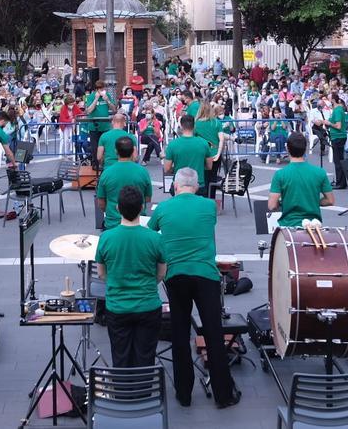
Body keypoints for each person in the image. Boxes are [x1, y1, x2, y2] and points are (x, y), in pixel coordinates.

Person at [147, 168, 240, 409]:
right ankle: (223, 394)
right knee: (213, 332)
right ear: (196, 186)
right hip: (206, 275)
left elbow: (151, 233)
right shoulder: (209, 206)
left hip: (176, 275)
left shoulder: (163, 209)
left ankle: (184, 393)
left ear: (175, 187)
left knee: (180, 333)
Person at [96, 186, 166, 368]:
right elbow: (161, 273)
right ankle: (145, 393)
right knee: (146, 356)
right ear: (142, 207)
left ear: (118, 208)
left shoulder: (106, 237)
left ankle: (124, 391)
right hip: (148, 305)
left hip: (117, 307)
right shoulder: (155, 238)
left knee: (120, 356)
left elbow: (102, 273)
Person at [268, 132, 335, 226]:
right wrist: (312, 203)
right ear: (305, 149)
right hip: (314, 225)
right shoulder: (320, 172)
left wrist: (286, 203)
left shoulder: (280, 174)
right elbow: (330, 200)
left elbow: (272, 206)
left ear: (287, 148)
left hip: (289, 225)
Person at [96, 137, 153, 230]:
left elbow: (101, 203)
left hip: (113, 222)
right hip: (138, 221)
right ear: (133, 150)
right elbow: (147, 198)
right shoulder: (143, 172)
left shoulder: (106, 173)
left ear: (116, 151)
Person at [163, 115, 215, 196]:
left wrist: (175, 169)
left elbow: (167, 169)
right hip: (198, 184)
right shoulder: (204, 143)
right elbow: (209, 166)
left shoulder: (173, 144)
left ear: (181, 126)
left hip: (179, 184)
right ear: (194, 126)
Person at [85, 80, 115, 161]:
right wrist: (96, 99)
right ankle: (95, 164)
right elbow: (88, 111)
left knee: (106, 146)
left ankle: (105, 163)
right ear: (96, 90)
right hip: (94, 126)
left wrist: (107, 100)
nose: (102, 91)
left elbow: (114, 108)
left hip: (105, 126)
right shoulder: (91, 96)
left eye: (103, 89)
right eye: (100, 89)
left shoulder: (107, 95)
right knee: (95, 148)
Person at [327, 96, 348, 188]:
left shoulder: (337, 110)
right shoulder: (338, 110)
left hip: (338, 137)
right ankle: (340, 181)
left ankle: (341, 183)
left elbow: (338, 126)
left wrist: (329, 123)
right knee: (339, 160)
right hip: (337, 136)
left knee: (338, 161)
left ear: (333, 100)